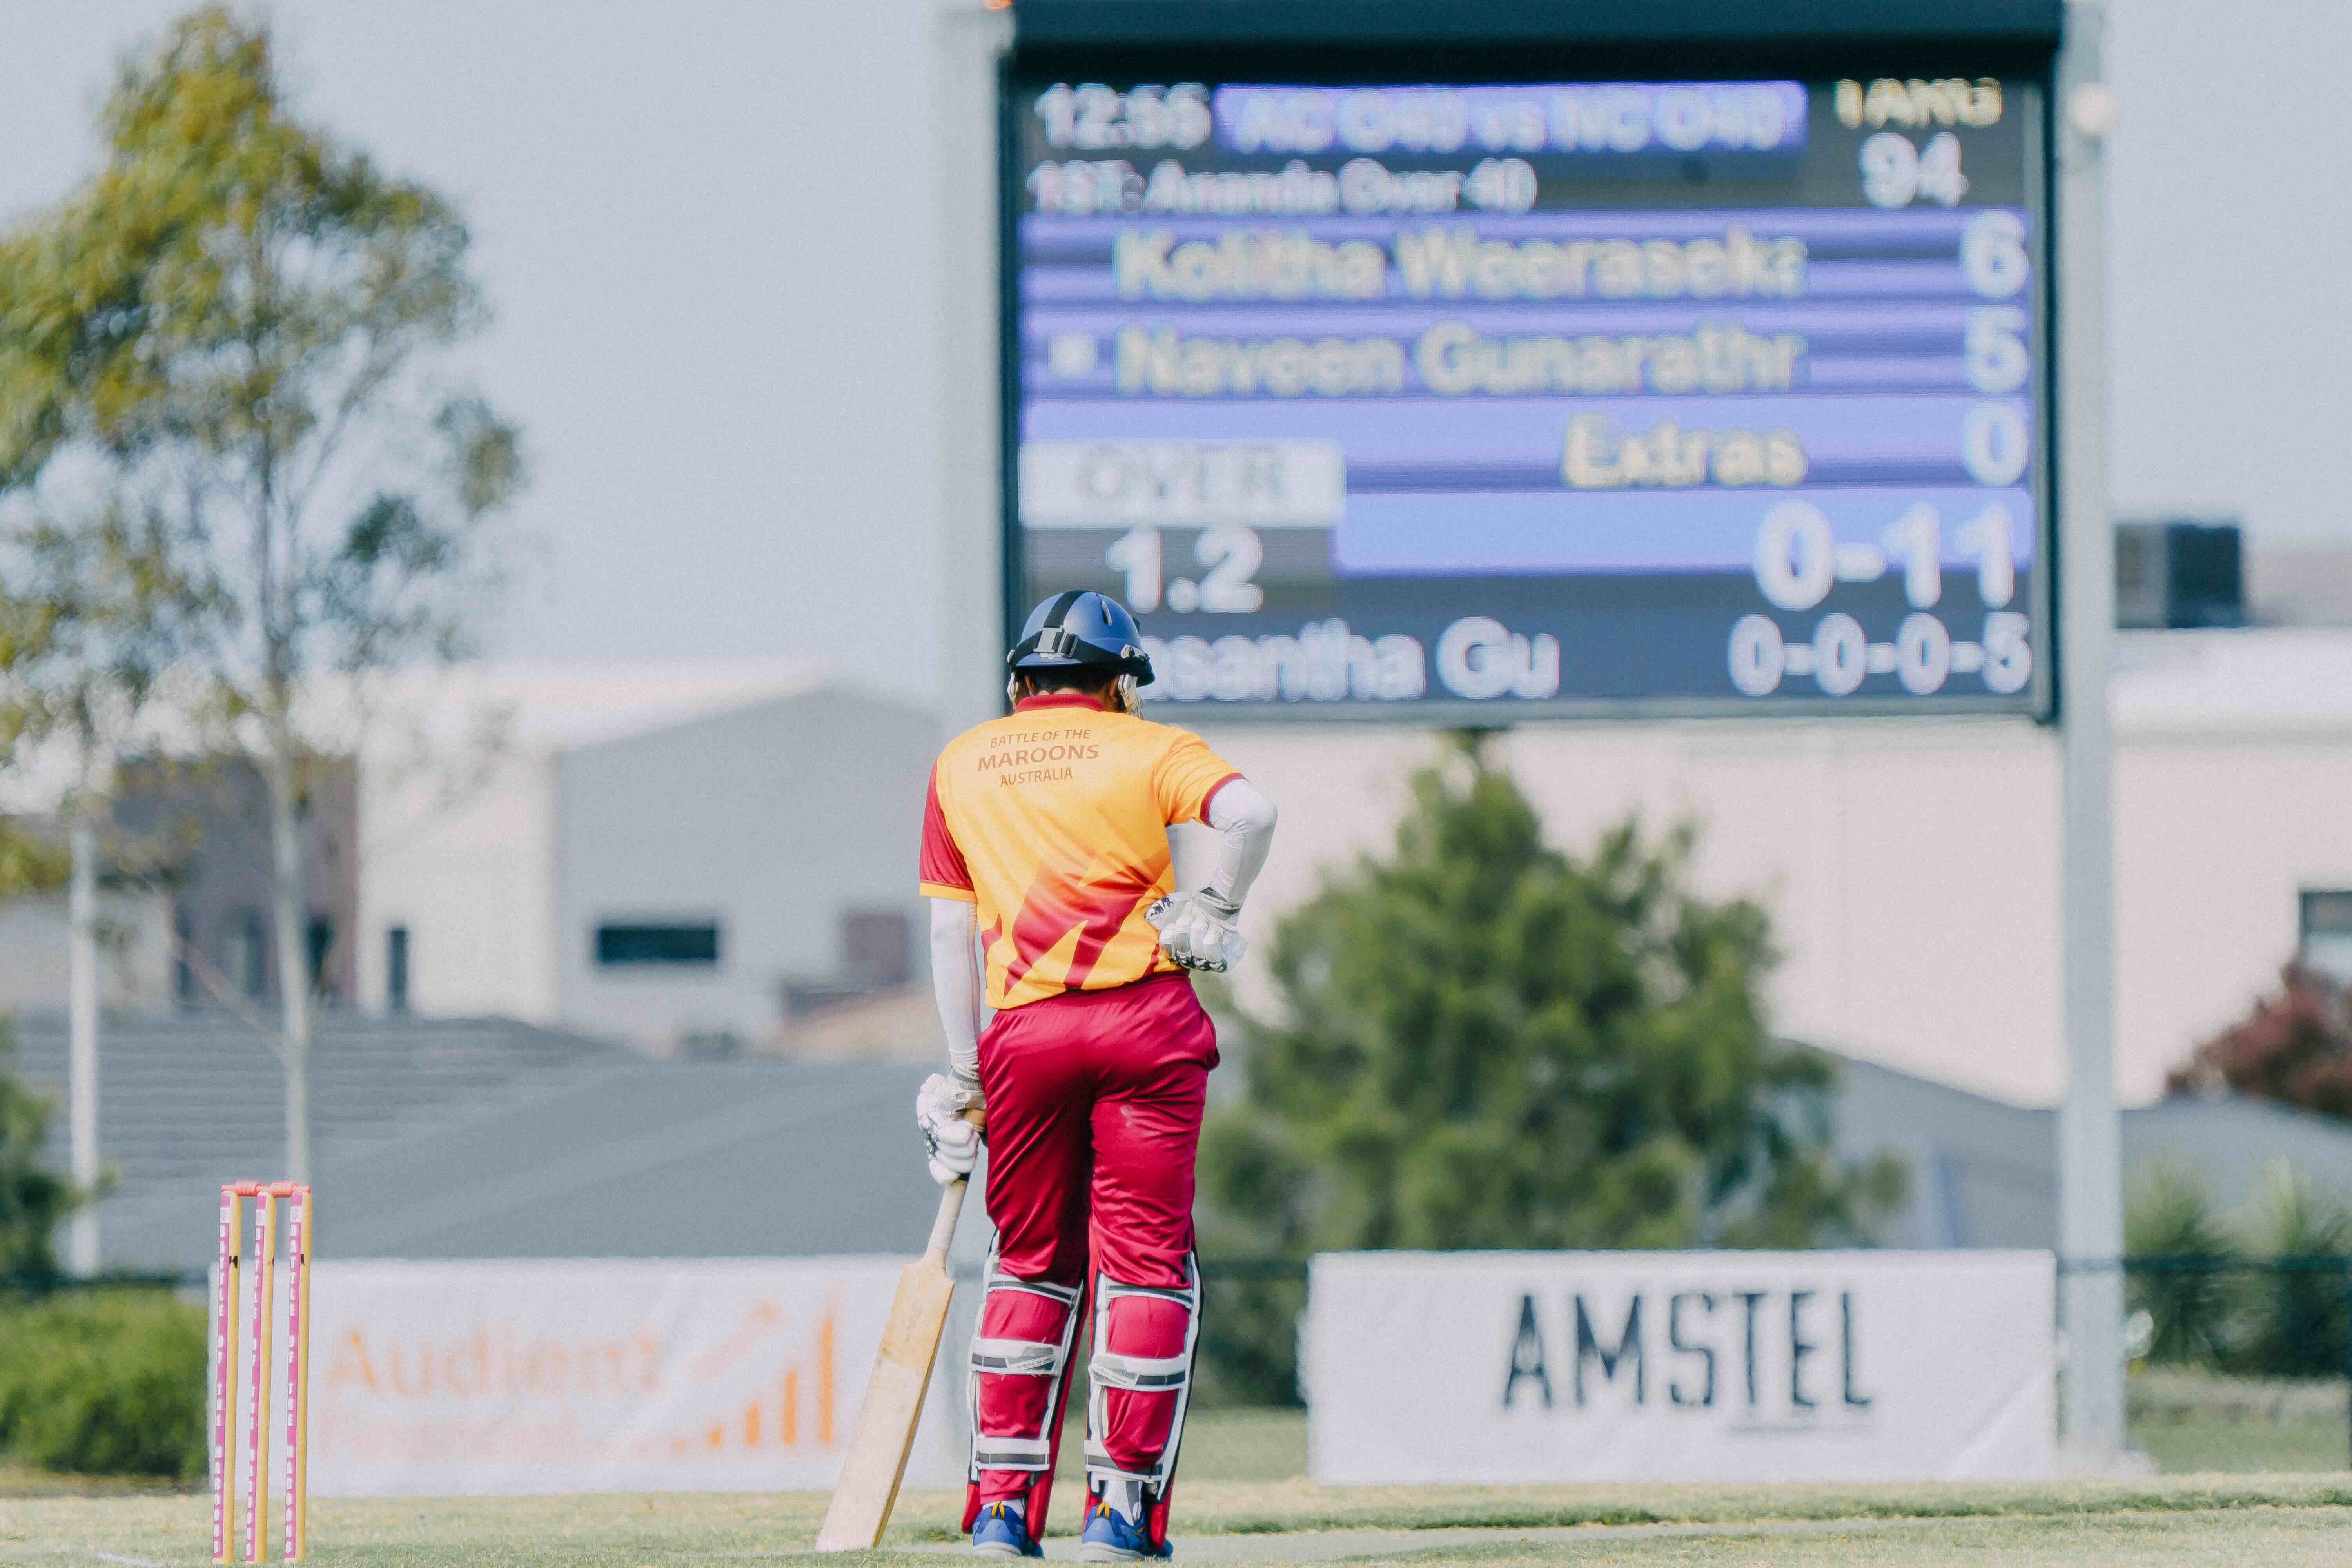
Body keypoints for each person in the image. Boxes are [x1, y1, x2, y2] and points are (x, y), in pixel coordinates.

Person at [914, 591, 1278, 1561]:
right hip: (1145, 1025)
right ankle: (1120, 1512)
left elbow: (950, 928)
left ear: (1020, 680)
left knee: (1031, 1260)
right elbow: (1251, 809)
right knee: (1147, 1265)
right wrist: (1215, 900)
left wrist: (963, 1071)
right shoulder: (1146, 746)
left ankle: (1002, 1507)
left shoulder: (962, 760)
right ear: (1118, 681)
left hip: (1025, 1035)